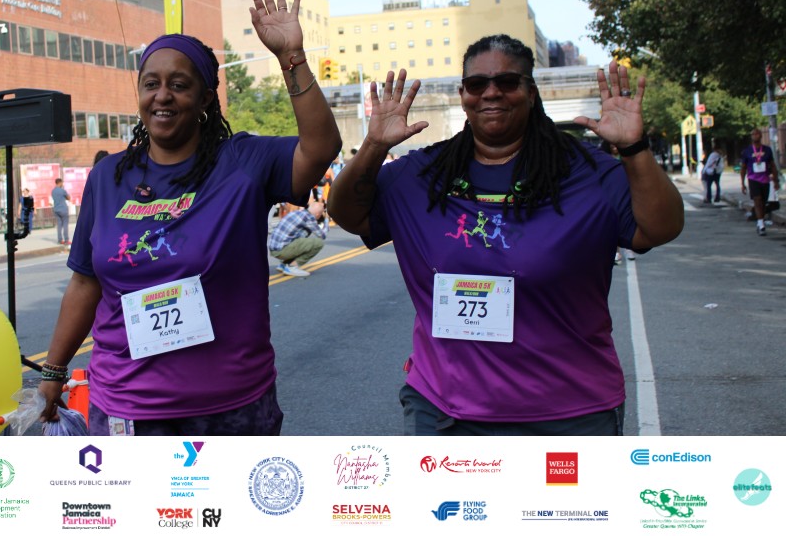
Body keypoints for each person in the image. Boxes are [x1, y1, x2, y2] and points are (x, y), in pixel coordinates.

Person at [328, 34, 684, 436]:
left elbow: (660, 228)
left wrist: (635, 149)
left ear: (531, 92)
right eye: (477, 84)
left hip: (569, 413)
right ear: (463, 95)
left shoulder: (587, 172)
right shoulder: (421, 174)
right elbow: (348, 214)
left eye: (507, 82)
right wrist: (374, 146)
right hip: (445, 412)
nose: (491, 93)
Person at [38, 0, 341, 435]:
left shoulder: (242, 163)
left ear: (204, 98)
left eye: (179, 85)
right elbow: (85, 282)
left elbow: (321, 148)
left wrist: (291, 57)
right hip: (126, 405)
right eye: (151, 84)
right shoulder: (108, 177)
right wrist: (53, 372)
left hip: (229, 406)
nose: (162, 96)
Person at [268, 200, 327, 277]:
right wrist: (325, 222)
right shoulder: (309, 217)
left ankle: (284, 264)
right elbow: (322, 236)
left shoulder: (297, 212)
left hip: (274, 249)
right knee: (318, 243)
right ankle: (292, 267)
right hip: (281, 250)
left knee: (302, 240)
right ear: (318, 214)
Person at [740, 128, 780, 236]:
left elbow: (772, 165)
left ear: (761, 135)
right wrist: (742, 183)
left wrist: (776, 181)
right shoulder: (747, 151)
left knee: (763, 202)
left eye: (757, 134)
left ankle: (760, 221)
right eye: (753, 134)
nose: (755, 136)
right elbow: (743, 168)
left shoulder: (767, 150)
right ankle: (761, 224)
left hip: (765, 179)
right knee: (757, 200)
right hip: (753, 179)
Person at [51, 178, 71, 245]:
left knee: (59, 225)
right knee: (65, 225)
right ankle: (66, 240)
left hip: (56, 209)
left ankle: (60, 240)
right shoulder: (62, 190)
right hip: (63, 209)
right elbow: (68, 198)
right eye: (62, 183)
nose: (62, 184)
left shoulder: (53, 191)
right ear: (60, 183)